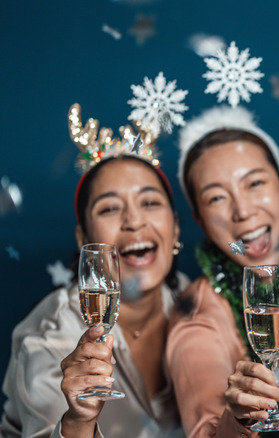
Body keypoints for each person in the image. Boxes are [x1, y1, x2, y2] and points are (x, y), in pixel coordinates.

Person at [0, 104, 187, 437]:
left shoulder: (200, 303)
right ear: (83, 238)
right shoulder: (49, 334)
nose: (134, 222)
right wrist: (78, 420)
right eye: (110, 208)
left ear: (174, 228)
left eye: (149, 202)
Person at [166, 105, 279, 436]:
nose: (243, 211)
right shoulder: (197, 319)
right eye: (217, 198)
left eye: (254, 183)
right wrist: (238, 417)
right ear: (200, 221)